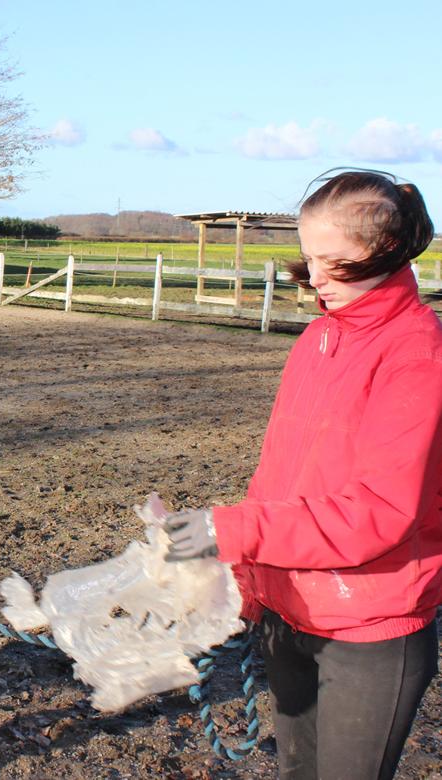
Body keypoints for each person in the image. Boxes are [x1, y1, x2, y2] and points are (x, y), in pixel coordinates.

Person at [165, 169, 442, 780]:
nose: (314, 277)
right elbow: (279, 477)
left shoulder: (417, 355)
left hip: (369, 628)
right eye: (308, 257)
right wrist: (246, 578)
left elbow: (380, 511)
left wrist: (232, 531)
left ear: (388, 252)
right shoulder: (318, 339)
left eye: (335, 262)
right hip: (290, 612)